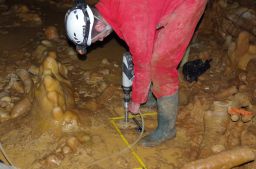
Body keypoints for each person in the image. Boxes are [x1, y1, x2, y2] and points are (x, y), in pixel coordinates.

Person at [65, 0, 207, 147]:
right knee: (150, 48)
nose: (101, 39)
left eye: (98, 38)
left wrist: (136, 100)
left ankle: (167, 129)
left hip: (187, 4)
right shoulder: (107, 7)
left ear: (99, 25)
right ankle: (152, 95)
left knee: (160, 66)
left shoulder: (132, 21)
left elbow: (142, 63)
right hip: (153, 6)